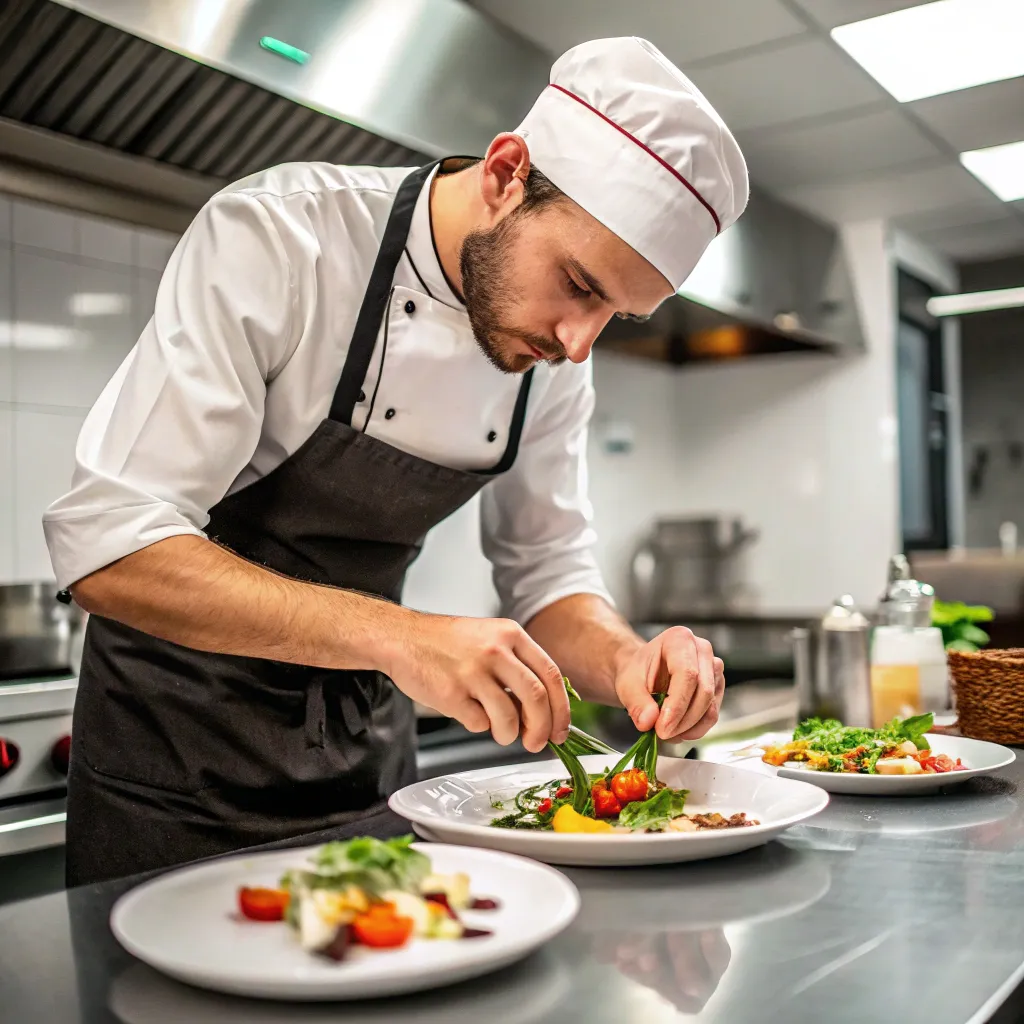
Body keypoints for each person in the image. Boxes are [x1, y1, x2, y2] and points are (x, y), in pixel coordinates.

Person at [44, 36, 748, 884]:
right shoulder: (281, 237)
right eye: (580, 285)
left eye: (616, 318)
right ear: (506, 172)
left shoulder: (554, 358)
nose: (577, 343)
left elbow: (549, 576)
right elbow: (110, 548)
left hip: (369, 775)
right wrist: (403, 639)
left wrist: (627, 660)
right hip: (171, 774)